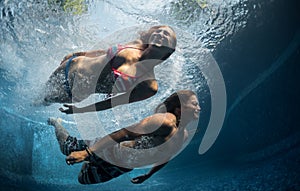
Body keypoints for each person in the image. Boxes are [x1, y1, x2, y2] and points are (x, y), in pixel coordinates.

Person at [47, 90, 200, 184]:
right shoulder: (164, 121)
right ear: (179, 109)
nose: (198, 108)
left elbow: (166, 157)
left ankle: (91, 160)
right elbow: (124, 133)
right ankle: (56, 123)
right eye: (194, 104)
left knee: (83, 180)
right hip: (112, 150)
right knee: (67, 148)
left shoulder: (183, 135)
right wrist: (88, 152)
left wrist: (148, 175)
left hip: (121, 166)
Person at [42, 25, 177, 115]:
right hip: (70, 65)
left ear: (171, 48)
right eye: (158, 31)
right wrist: (78, 54)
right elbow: (104, 52)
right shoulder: (136, 44)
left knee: (40, 101)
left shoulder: (149, 85)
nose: (160, 33)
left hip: (71, 90)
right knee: (39, 92)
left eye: (166, 34)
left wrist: (80, 110)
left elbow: (113, 103)